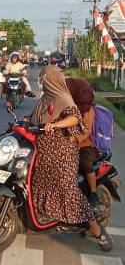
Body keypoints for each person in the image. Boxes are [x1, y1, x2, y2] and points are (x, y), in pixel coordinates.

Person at [29, 66, 112, 251]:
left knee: (68, 193)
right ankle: (51, 219)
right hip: (45, 154)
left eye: (43, 77)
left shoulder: (63, 97)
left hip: (62, 155)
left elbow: (74, 118)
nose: (41, 81)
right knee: (41, 184)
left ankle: (97, 231)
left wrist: (56, 125)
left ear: (52, 79)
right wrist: (25, 121)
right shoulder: (45, 99)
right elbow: (36, 118)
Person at [65, 78, 101, 207]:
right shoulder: (68, 106)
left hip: (85, 145)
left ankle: (93, 193)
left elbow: (87, 130)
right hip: (67, 143)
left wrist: (74, 138)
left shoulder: (87, 109)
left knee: (85, 163)